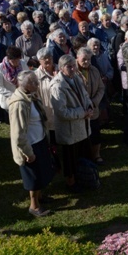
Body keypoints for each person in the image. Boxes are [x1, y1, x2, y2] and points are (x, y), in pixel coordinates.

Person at [8, 71, 55, 217]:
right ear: (24, 85)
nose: (37, 84)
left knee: (42, 172)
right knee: (33, 177)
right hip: (30, 145)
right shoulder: (19, 104)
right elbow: (18, 133)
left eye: (36, 81)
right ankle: (34, 206)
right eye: (34, 82)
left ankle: (40, 197)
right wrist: (27, 152)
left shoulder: (31, 96)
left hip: (39, 140)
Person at [50, 54, 94, 190]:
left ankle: (83, 177)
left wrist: (90, 106)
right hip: (69, 130)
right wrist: (83, 113)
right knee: (70, 159)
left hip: (82, 127)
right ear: (62, 68)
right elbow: (62, 112)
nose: (73, 68)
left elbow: (85, 95)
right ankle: (71, 183)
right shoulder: (57, 86)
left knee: (82, 155)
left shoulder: (76, 78)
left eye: (74, 65)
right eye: (69, 67)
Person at [0, 46, 29, 113]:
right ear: (8, 59)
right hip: (8, 100)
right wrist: (13, 95)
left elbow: (28, 78)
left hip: (23, 98)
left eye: (18, 59)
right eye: (14, 60)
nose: (17, 62)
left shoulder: (23, 63)